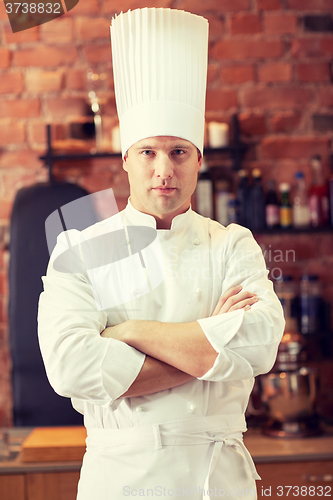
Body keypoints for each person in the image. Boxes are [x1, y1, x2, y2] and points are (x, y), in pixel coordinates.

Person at [38, 8, 284, 500]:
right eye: (148, 152)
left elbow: (258, 345)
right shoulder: (78, 248)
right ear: (126, 158)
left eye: (178, 152)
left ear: (199, 160)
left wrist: (129, 333)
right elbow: (70, 366)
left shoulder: (231, 243)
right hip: (119, 481)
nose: (163, 170)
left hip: (216, 481)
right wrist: (208, 347)